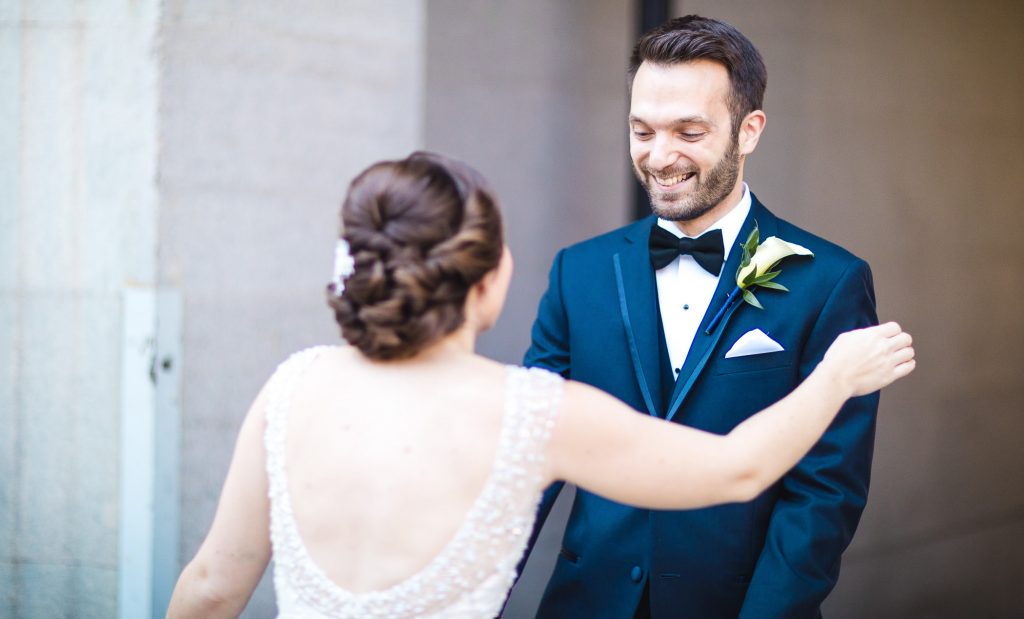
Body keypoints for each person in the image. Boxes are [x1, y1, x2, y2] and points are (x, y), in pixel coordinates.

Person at [166, 152, 914, 618]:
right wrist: (836, 376)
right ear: (491, 281)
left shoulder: (292, 389)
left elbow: (207, 588)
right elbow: (738, 466)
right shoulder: (531, 413)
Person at [519, 15, 887, 618]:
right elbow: (530, 452)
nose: (660, 157)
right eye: (642, 131)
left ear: (749, 131)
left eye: (688, 131)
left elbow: (825, 492)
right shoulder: (576, 271)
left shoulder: (831, 281)